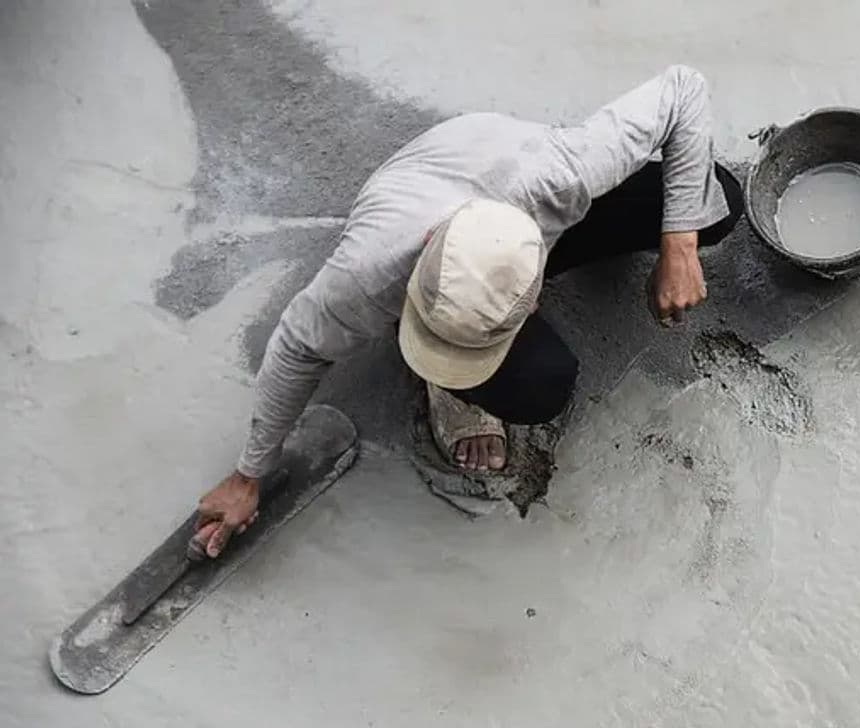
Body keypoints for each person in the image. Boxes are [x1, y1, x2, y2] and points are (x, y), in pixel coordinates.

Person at [194, 65, 744, 558]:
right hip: (436, 182)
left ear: (532, 298)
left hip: (522, 187)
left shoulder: (565, 173)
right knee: (542, 385)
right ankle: (445, 381)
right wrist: (248, 476)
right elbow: (297, 346)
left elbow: (683, 89)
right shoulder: (368, 276)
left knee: (716, 200)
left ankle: (483, 335)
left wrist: (679, 246)